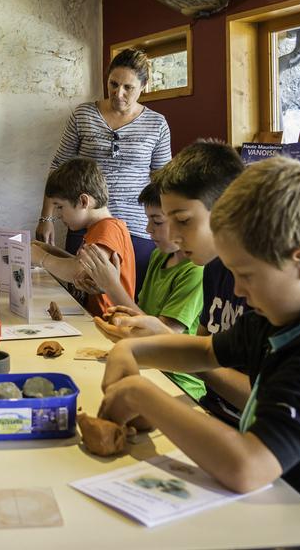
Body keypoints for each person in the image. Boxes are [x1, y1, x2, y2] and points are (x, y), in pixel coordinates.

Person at [99, 157, 300, 549]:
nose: (237, 290)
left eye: (247, 275)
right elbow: (205, 350)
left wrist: (140, 394)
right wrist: (133, 349)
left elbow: (248, 466)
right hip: (274, 514)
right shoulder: (292, 311)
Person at [94, 140, 250, 422]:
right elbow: (204, 351)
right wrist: (146, 342)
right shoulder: (214, 269)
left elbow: (264, 401)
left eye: (184, 220)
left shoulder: (264, 282)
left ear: (228, 210)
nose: (174, 236)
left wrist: (166, 343)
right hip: (211, 410)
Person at [37, 48, 170, 296]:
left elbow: (163, 182)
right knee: (80, 297)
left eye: (128, 87)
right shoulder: (83, 114)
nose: (118, 93)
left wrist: (165, 227)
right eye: (113, 84)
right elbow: (59, 167)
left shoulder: (157, 124)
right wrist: (46, 218)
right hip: (85, 222)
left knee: (127, 300)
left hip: (137, 230)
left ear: (144, 86)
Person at [80, 182, 205, 400]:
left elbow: (162, 336)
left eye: (156, 221)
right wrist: (116, 311)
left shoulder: (195, 271)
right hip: (147, 362)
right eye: (148, 220)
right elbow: (141, 316)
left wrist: (112, 286)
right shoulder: (159, 256)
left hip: (179, 380)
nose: (148, 229)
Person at [31, 158, 135, 318]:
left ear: (83, 201)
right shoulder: (97, 228)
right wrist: (50, 251)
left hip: (109, 323)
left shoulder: (108, 229)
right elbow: (83, 266)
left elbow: (79, 271)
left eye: (60, 207)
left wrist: (41, 257)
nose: (58, 215)